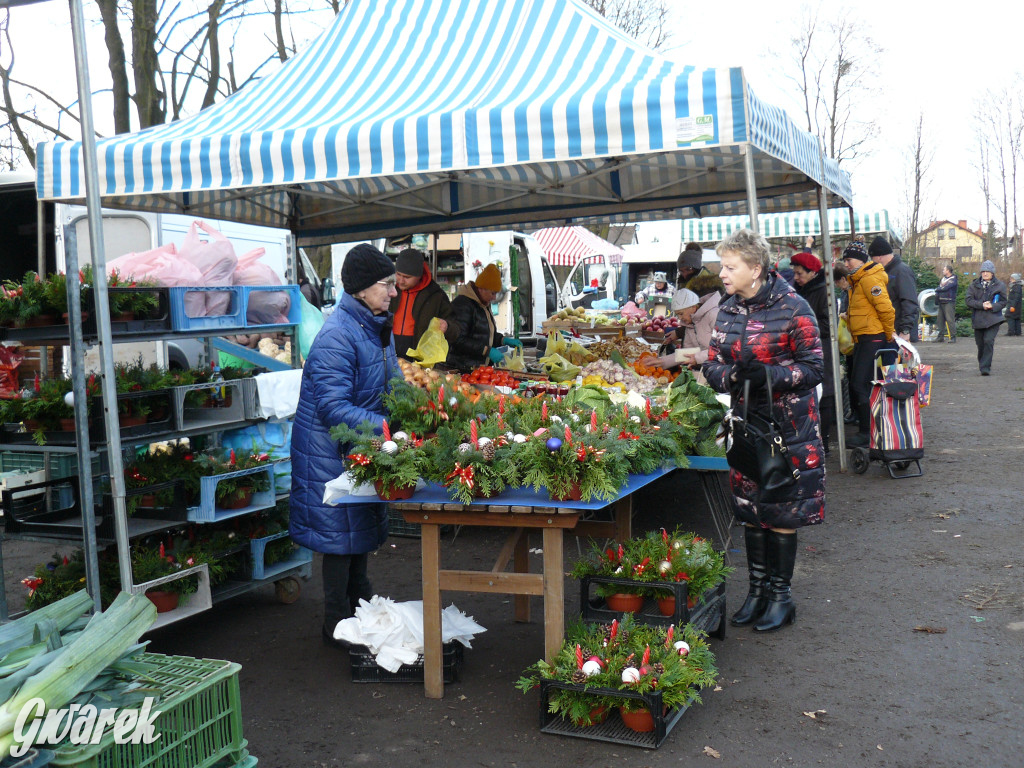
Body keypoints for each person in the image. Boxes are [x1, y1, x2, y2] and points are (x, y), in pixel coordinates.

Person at [702, 228, 824, 633]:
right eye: (722, 265)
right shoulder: (728, 308)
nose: (722, 273)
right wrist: (734, 373)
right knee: (751, 510)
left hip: (789, 429)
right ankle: (756, 593)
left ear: (755, 269)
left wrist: (769, 374)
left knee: (783, 508)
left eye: (729, 266)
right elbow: (711, 363)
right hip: (745, 427)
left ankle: (780, 597)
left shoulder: (795, 307)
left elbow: (814, 368)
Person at [289, 243, 399, 647]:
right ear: (361, 289)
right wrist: (388, 427)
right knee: (339, 538)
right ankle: (336, 624)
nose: (392, 292)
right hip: (329, 453)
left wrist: (419, 412)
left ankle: (359, 610)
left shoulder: (376, 326)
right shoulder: (337, 336)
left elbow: (395, 385)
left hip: (357, 450)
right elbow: (334, 407)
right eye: (386, 284)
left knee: (358, 533)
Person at [842, 241, 895, 447]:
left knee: (860, 384)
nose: (846, 264)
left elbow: (886, 309)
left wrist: (888, 335)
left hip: (872, 337)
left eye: (849, 259)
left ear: (861, 259)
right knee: (861, 384)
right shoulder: (858, 279)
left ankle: (867, 433)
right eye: (845, 260)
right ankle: (869, 430)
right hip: (864, 337)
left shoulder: (868, 279)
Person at [790, 251, 837, 452]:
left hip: (822, 348)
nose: (796, 278)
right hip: (802, 349)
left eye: (800, 273)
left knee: (824, 394)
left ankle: (823, 441)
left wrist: (804, 325)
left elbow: (830, 325)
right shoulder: (800, 290)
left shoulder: (824, 292)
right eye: (795, 273)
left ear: (812, 273)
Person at [447, 263, 522, 370]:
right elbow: (458, 339)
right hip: (462, 368)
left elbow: (483, 335)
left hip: (480, 369)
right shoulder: (463, 305)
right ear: (482, 288)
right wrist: (486, 350)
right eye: (493, 293)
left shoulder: (483, 305)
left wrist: (503, 340)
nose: (494, 297)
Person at [390, 248, 458, 359]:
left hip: (421, 360)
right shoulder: (389, 291)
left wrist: (447, 326)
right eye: (398, 274)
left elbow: (456, 329)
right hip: (389, 355)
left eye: (407, 277)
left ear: (419, 275)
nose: (401, 280)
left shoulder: (435, 295)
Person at [868, 237, 919, 342]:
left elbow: (909, 302)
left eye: (873, 259)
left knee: (897, 358)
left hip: (900, 333)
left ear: (880, 257)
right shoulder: (887, 272)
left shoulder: (901, 271)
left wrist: (905, 330)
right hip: (892, 332)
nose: (872, 263)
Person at [964, 260, 1008, 376]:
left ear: (992, 273)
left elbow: (1003, 301)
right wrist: (982, 305)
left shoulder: (1000, 285)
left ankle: (985, 368)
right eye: (983, 271)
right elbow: (968, 301)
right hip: (978, 319)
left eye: (987, 271)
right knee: (980, 344)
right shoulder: (974, 285)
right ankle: (982, 363)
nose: (985, 273)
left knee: (988, 341)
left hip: (994, 319)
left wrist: (993, 306)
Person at [935, 265, 959, 342]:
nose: (943, 271)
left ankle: (953, 337)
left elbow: (945, 288)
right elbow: (941, 288)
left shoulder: (953, 279)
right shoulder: (943, 279)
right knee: (940, 320)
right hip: (941, 301)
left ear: (948, 270)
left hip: (949, 301)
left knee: (950, 319)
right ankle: (940, 337)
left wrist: (938, 289)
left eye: (944, 269)